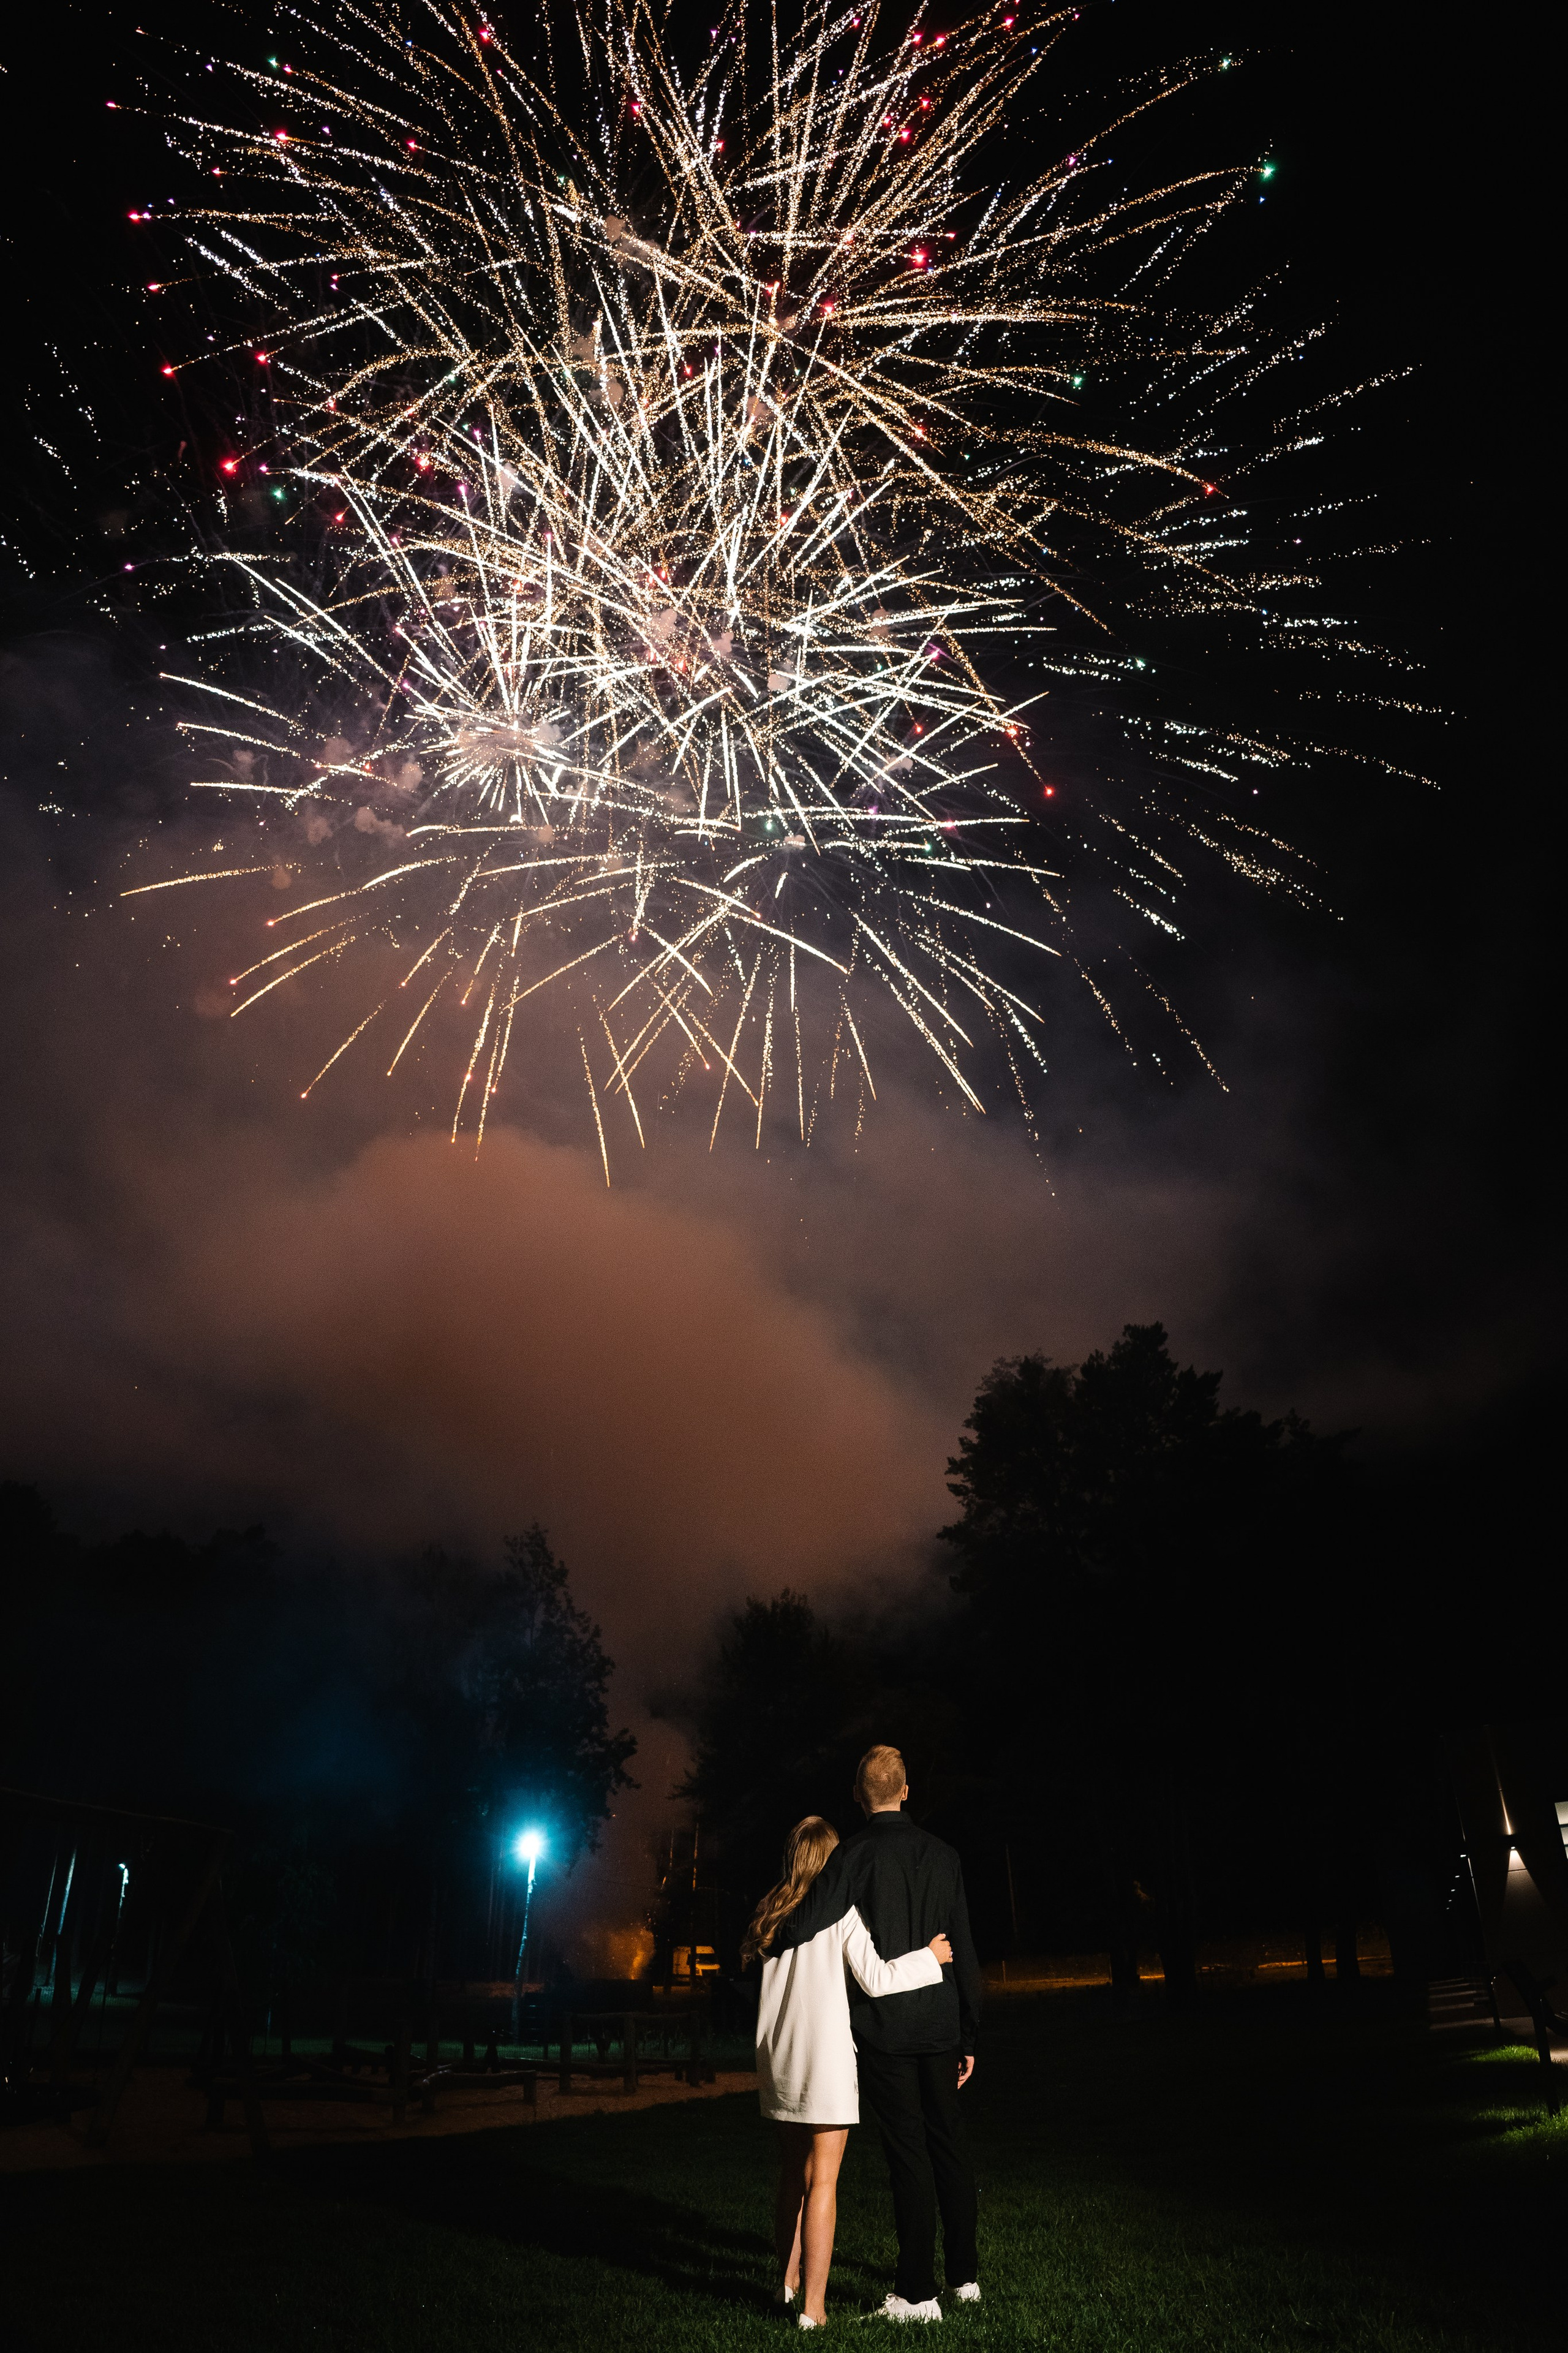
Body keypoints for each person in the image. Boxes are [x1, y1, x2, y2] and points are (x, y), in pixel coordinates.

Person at [769, 1747, 982, 2322]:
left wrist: (774, 1931)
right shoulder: (945, 1855)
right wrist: (969, 2031)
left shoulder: (853, 1854)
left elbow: (814, 1918)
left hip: (887, 2032)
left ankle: (918, 2291)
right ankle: (965, 2278)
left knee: (908, 2155)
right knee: (950, 2148)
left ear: (860, 1796)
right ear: (906, 1790)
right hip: (939, 2026)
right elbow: (963, 1947)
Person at [744, 1814, 953, 2330]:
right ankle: (813, 2310)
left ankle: (786, 2282)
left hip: (779, 2060)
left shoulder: (771, 1911)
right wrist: (929, 1958)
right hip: (825, 2061)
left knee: (793, 2173)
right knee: (824, 2183)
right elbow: (878, 1979)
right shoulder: (840, 1913)